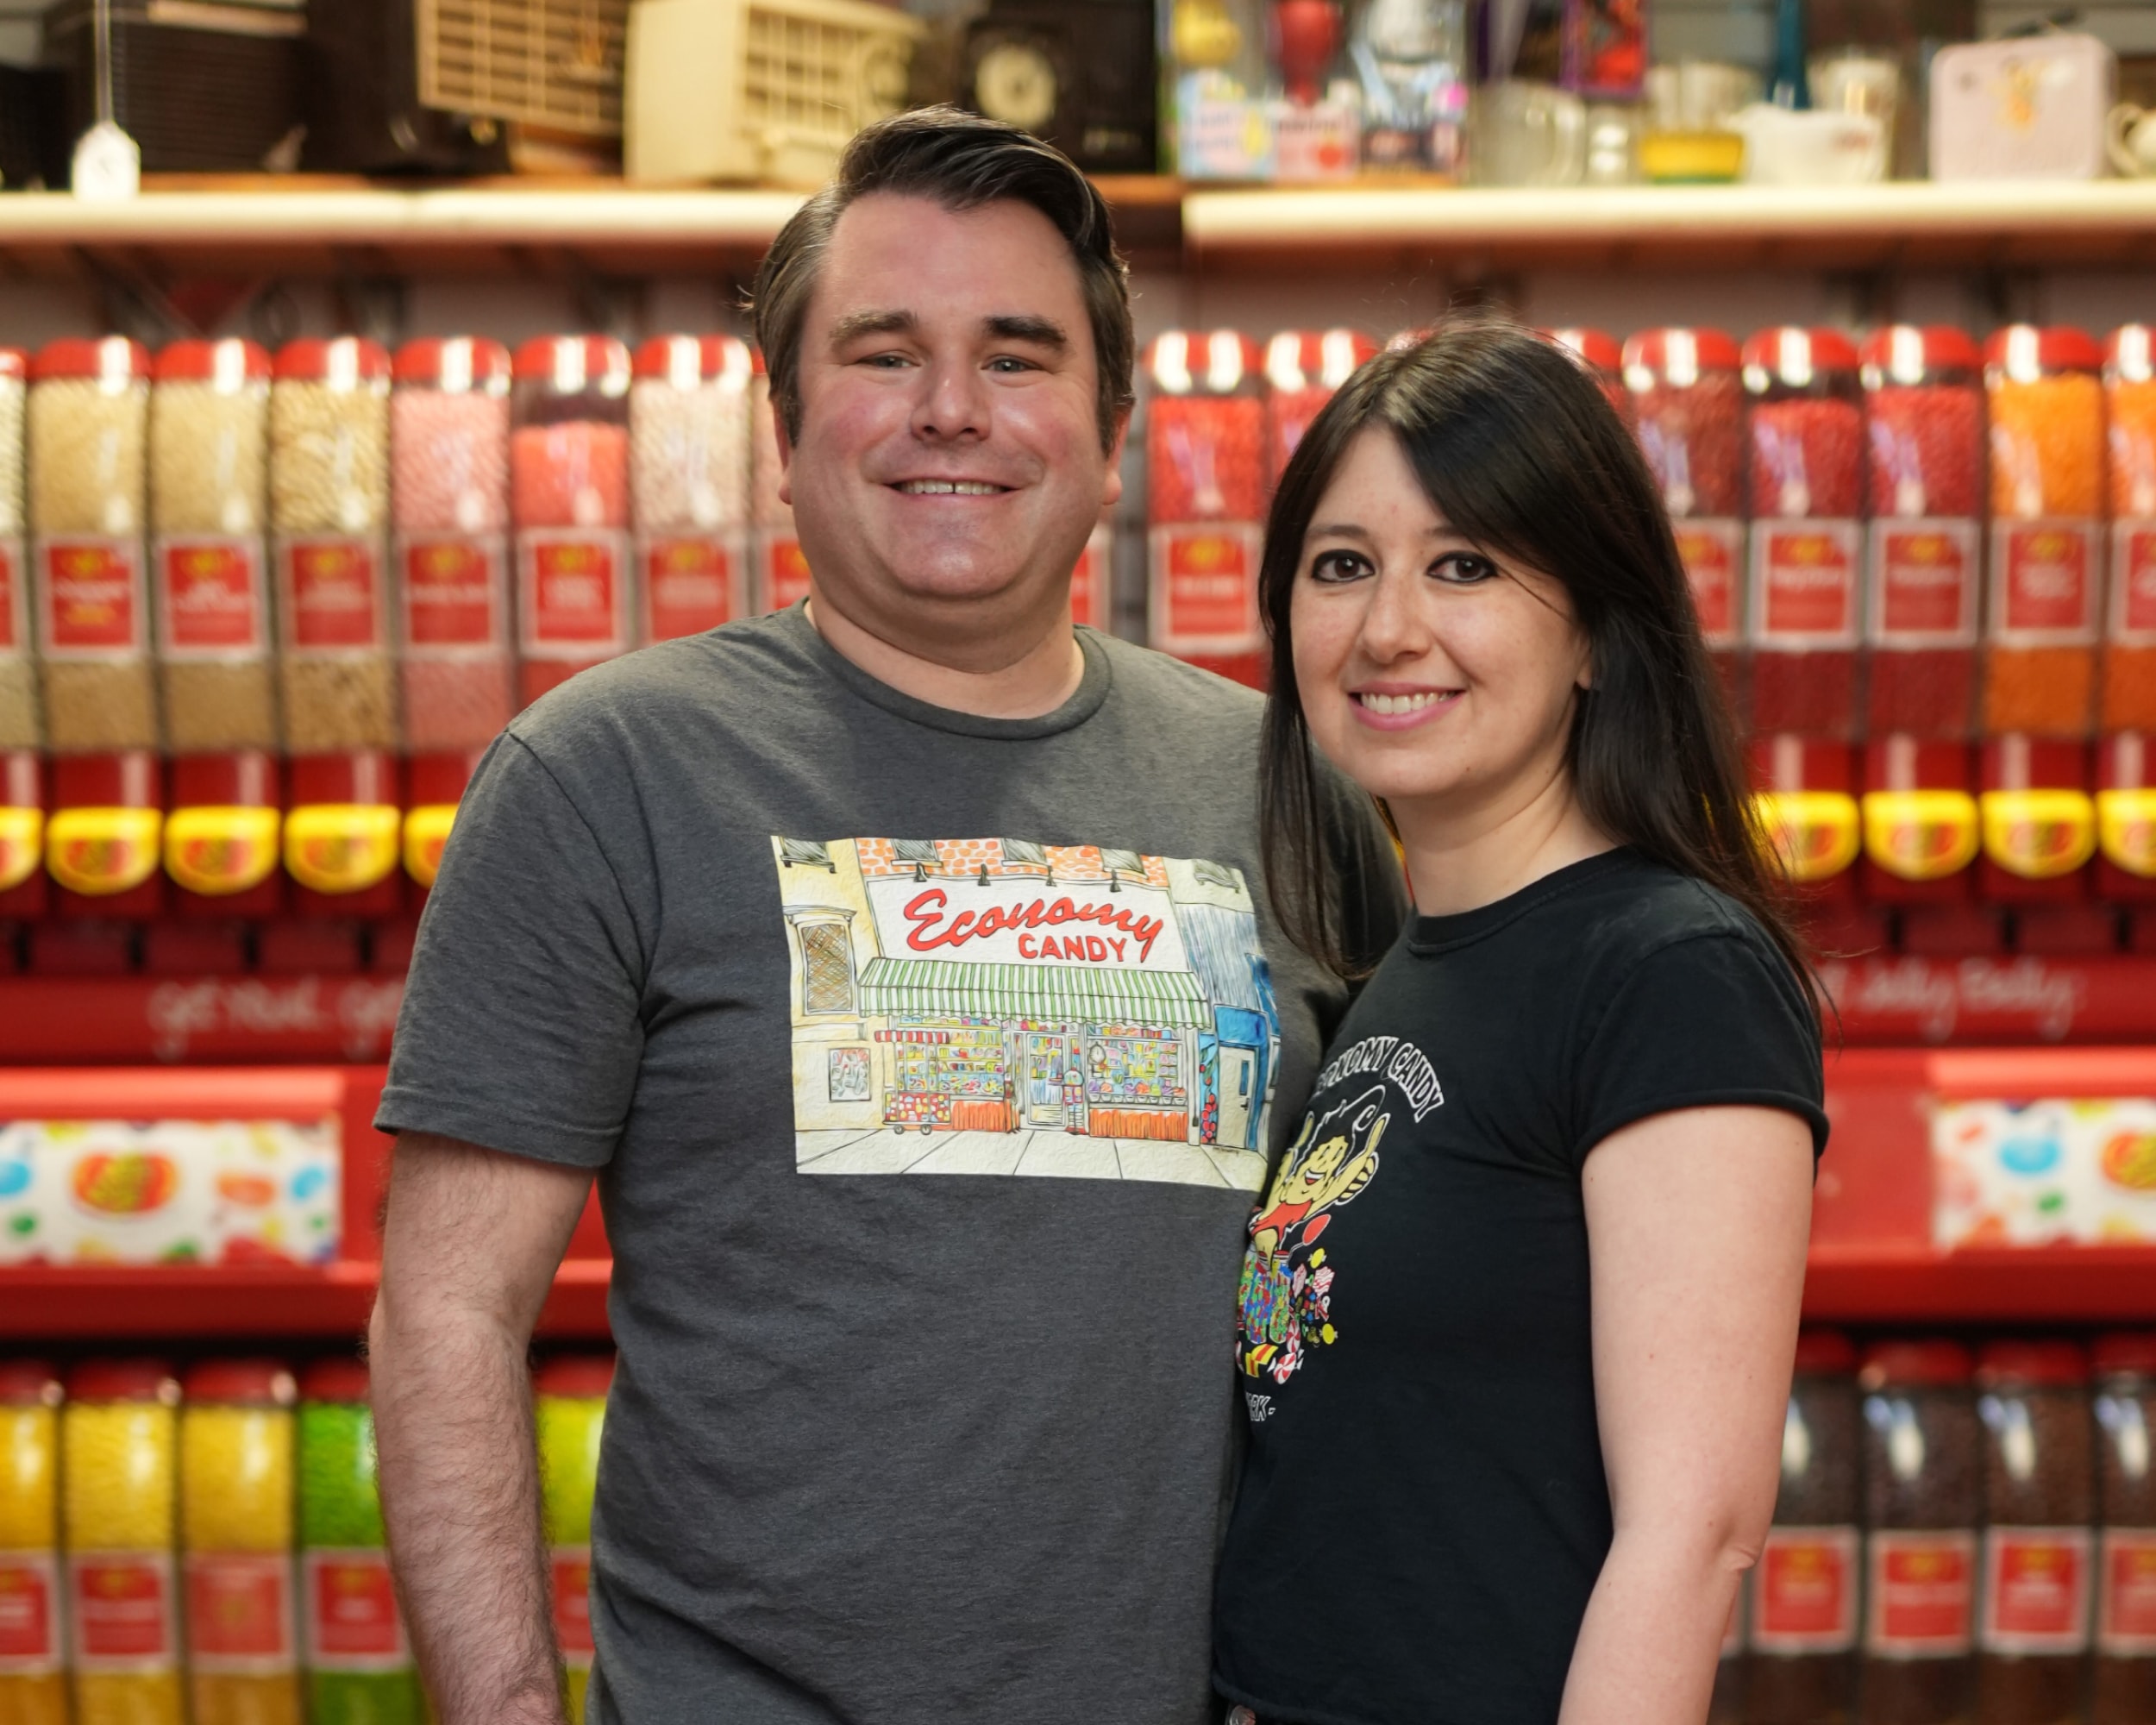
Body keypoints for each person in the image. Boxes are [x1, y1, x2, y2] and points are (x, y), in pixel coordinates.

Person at [367, 108, 1403, 1725]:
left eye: (1015, 356)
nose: (949, 412)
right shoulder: (602, 778)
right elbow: (446, 1311)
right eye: (882, 352)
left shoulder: (1286, 782)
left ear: (1108, 431)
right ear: (785, 431)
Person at [1212, 319, 1827, 1725]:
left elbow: (1695, 1535)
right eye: (1343, 566)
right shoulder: (1392, 972)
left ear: (1602, 633)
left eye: (1466, 566)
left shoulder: (1669, 969)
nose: (1388, 629)